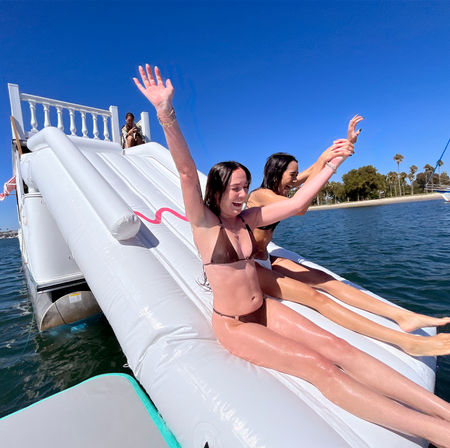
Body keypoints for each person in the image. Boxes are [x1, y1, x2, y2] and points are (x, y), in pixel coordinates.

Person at [133, 64, 450, 447]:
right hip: (235, 324)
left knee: (339, 348)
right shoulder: (203, 222)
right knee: (320, 366)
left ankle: (442, 410)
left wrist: (335, 163)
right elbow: (185, 172)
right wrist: (167, 114)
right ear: (216, 190)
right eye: (235, 188)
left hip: (263, 307)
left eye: (245, 187)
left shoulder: (250, 217)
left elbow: (299, 201)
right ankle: (437, 431)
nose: (241, 194)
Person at [246, 118, 450, 357]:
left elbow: (315, 169)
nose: (295, 179)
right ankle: (406, 342)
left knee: (327, 280)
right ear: (276, 174)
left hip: (266, 258)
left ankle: (403, 316)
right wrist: (329, 161)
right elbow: (298, 207)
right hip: (248, 267)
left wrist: (342, 148)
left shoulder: (281, 189)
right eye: (291, 176)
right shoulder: (261, 195)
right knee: (316, 298)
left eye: (295, 175)